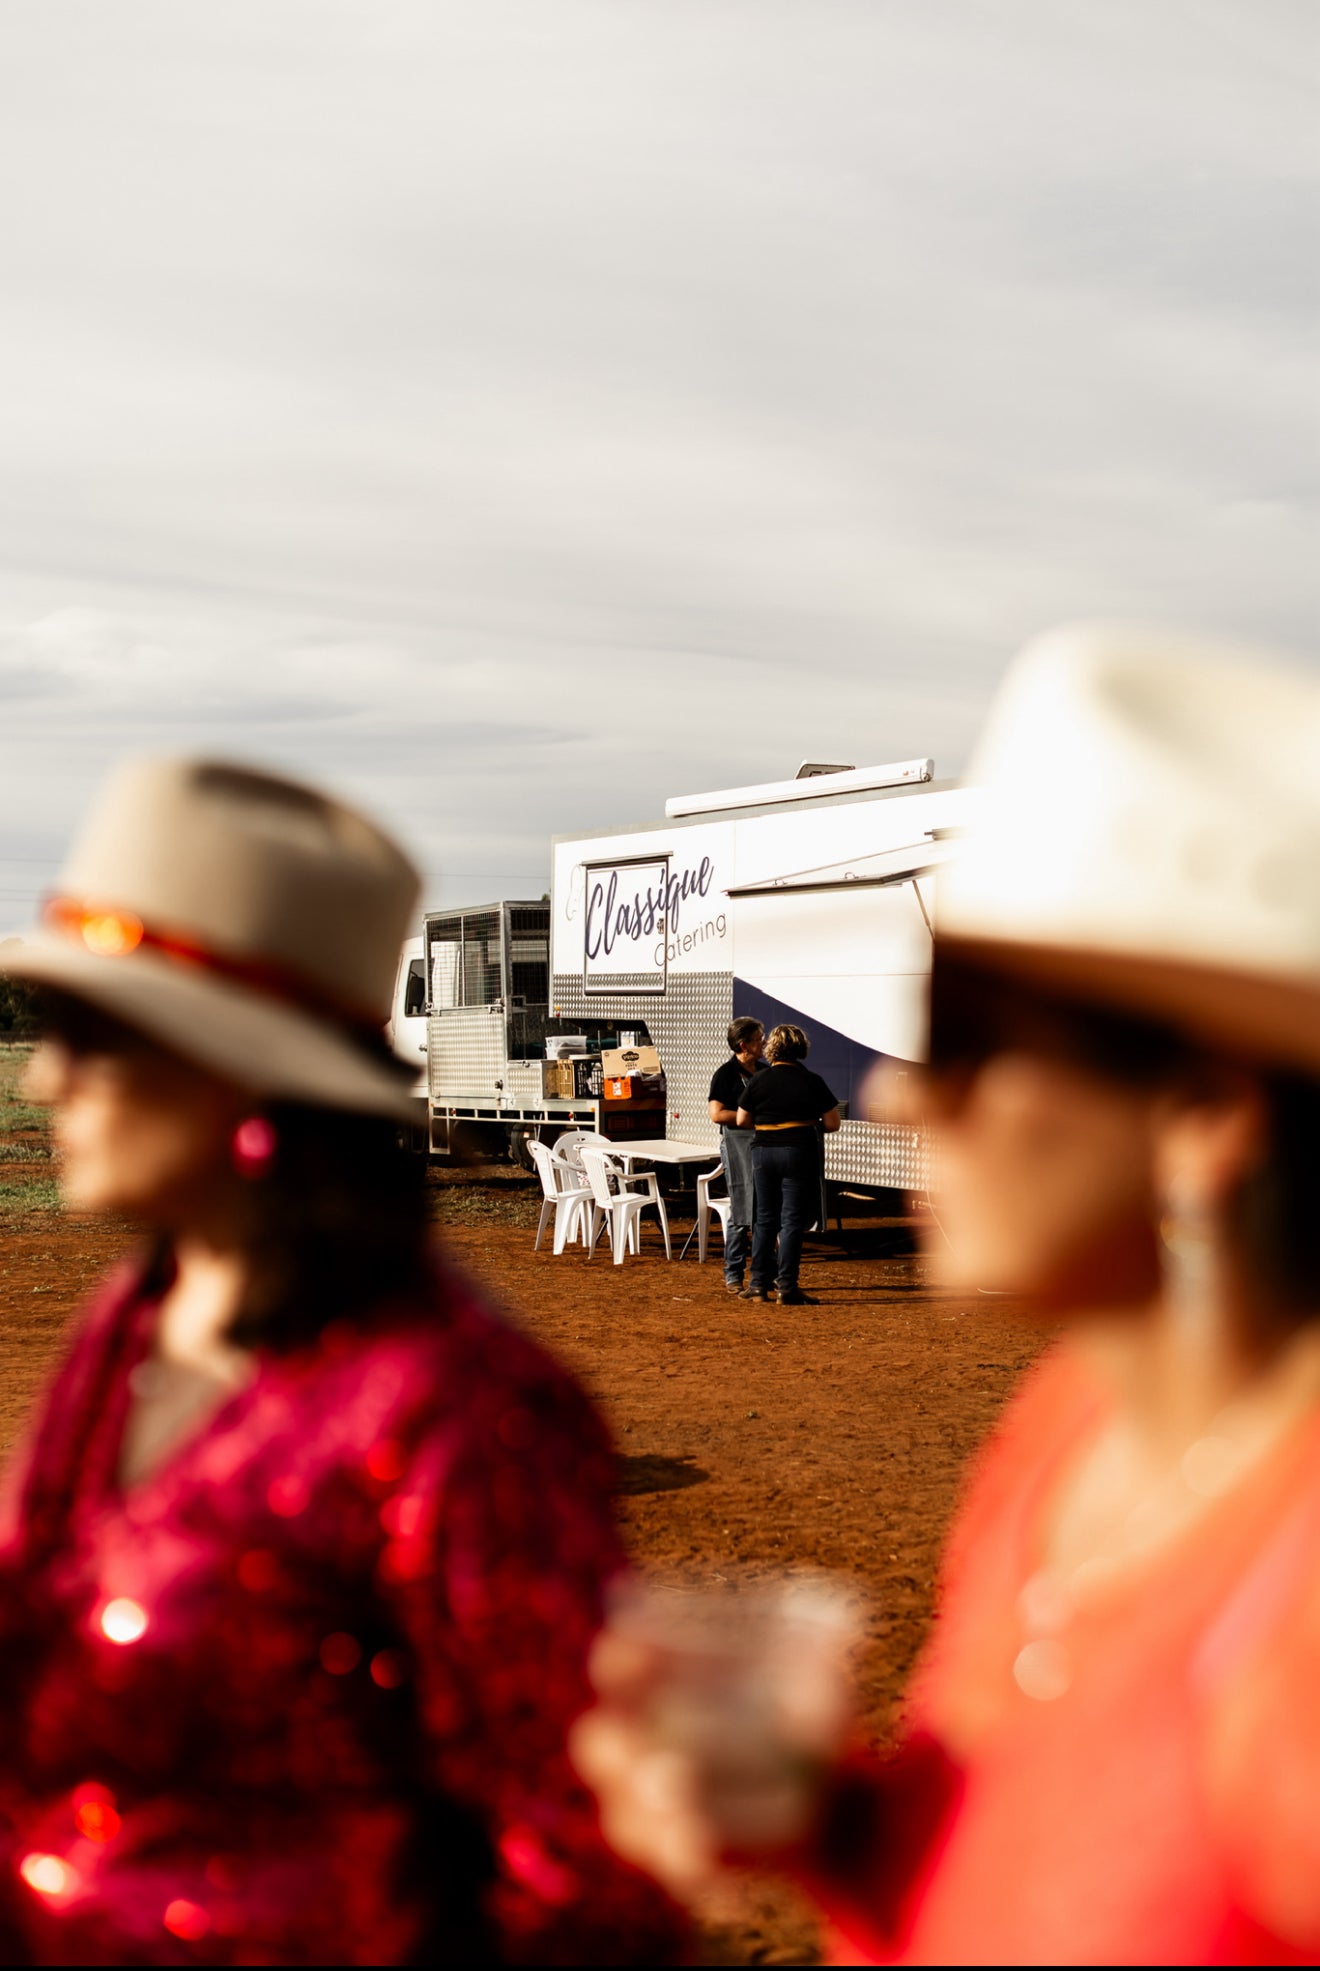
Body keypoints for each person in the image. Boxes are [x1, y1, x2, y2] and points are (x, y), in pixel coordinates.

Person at [571, 624, 1320, 1963]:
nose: (907, 1091)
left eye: (967, 1038)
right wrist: (833, 1828)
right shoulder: (1070, 1423)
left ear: (1206, 1115)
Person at [0, 756, 679, 1966]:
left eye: (93, 1035)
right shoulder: (134, 1313)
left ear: (242, 1071)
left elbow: (576, 1869)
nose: (47, 1078)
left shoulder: (457, 1408)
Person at [735, 1024, 840, 1306]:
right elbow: (832, 1122)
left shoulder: (759, 1080)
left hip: (764, 1153)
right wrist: (810, 1122)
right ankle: (787, 1286)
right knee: (791, 1221)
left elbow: (742, 1121)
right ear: (800, 1049)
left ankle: (758, 1284)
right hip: (798, 1151)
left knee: (764, 1218)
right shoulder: (812, 1080)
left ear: (773, 1050)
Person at [706, 1016, 767, 1294]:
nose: (763, 1042)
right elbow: (717, 1114)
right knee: (741, 1207)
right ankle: (733, 1272)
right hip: (737, 1143)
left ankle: (767, 1271)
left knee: (766, 1208)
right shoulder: (726, 1074)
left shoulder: (765, 1072)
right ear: (743, 1044)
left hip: (765, 1144)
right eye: (758, 1038)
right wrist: (751, 1118)